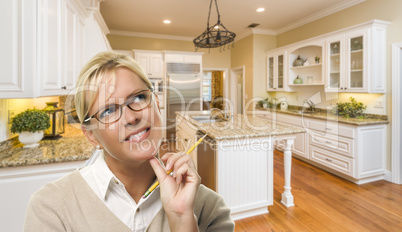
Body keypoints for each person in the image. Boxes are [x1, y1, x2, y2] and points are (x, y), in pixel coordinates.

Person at [23, 51, 235, 231]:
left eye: (138, 98)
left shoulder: (210, 209)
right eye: (108, 111)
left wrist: (182, 221)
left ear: (156, 103)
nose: (132, 117)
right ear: (91, 135)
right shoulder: (51, 209)